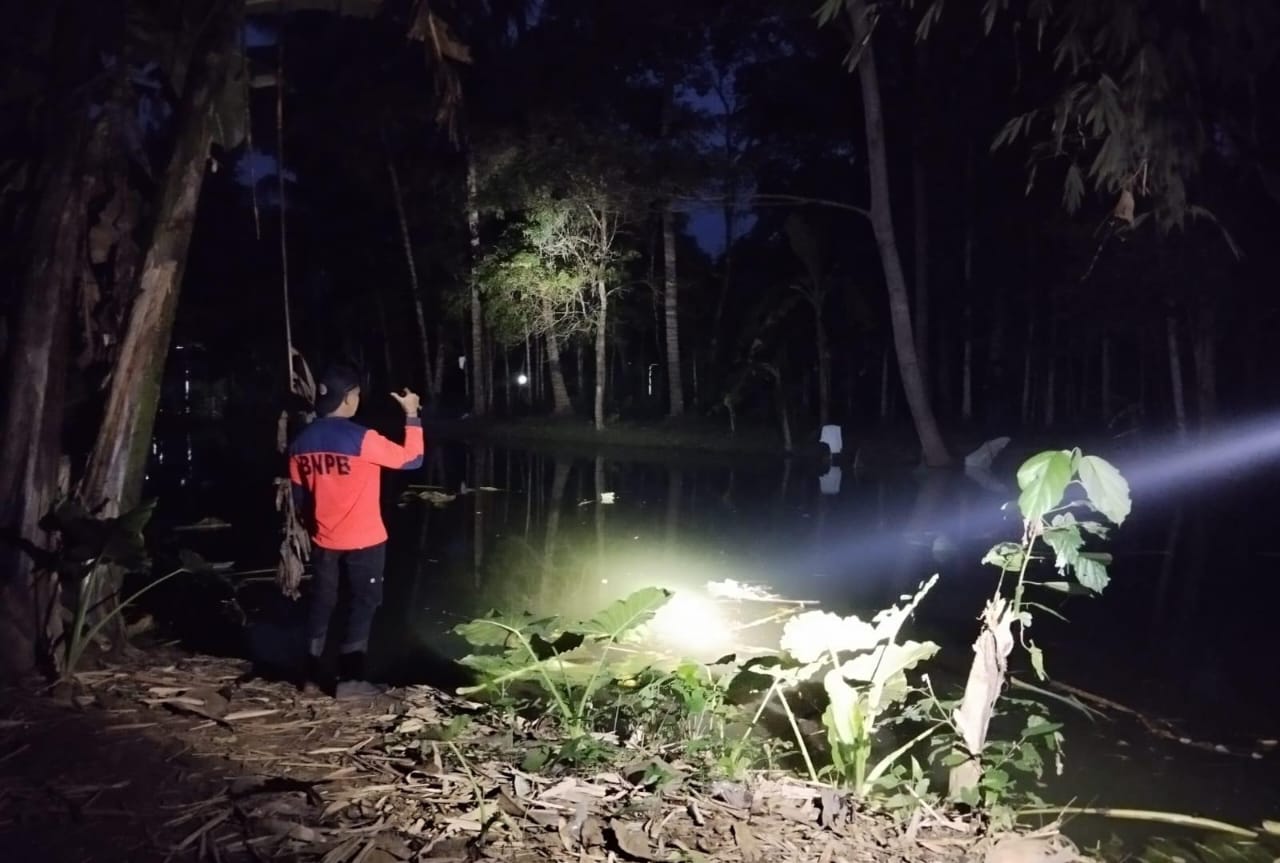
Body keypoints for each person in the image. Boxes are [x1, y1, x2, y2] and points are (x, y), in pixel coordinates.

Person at [288, 365, 423, 698]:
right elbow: (413, 458)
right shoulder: (362, 438)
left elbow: (298, 494)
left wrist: (314, 524)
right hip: (365, 540)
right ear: (348, 399)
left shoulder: (300, 442)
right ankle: (350, 680)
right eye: (357, 394)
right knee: (364, 604)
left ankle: (309, 676)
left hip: (324, 539)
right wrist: (412, 415)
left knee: (322, 603)